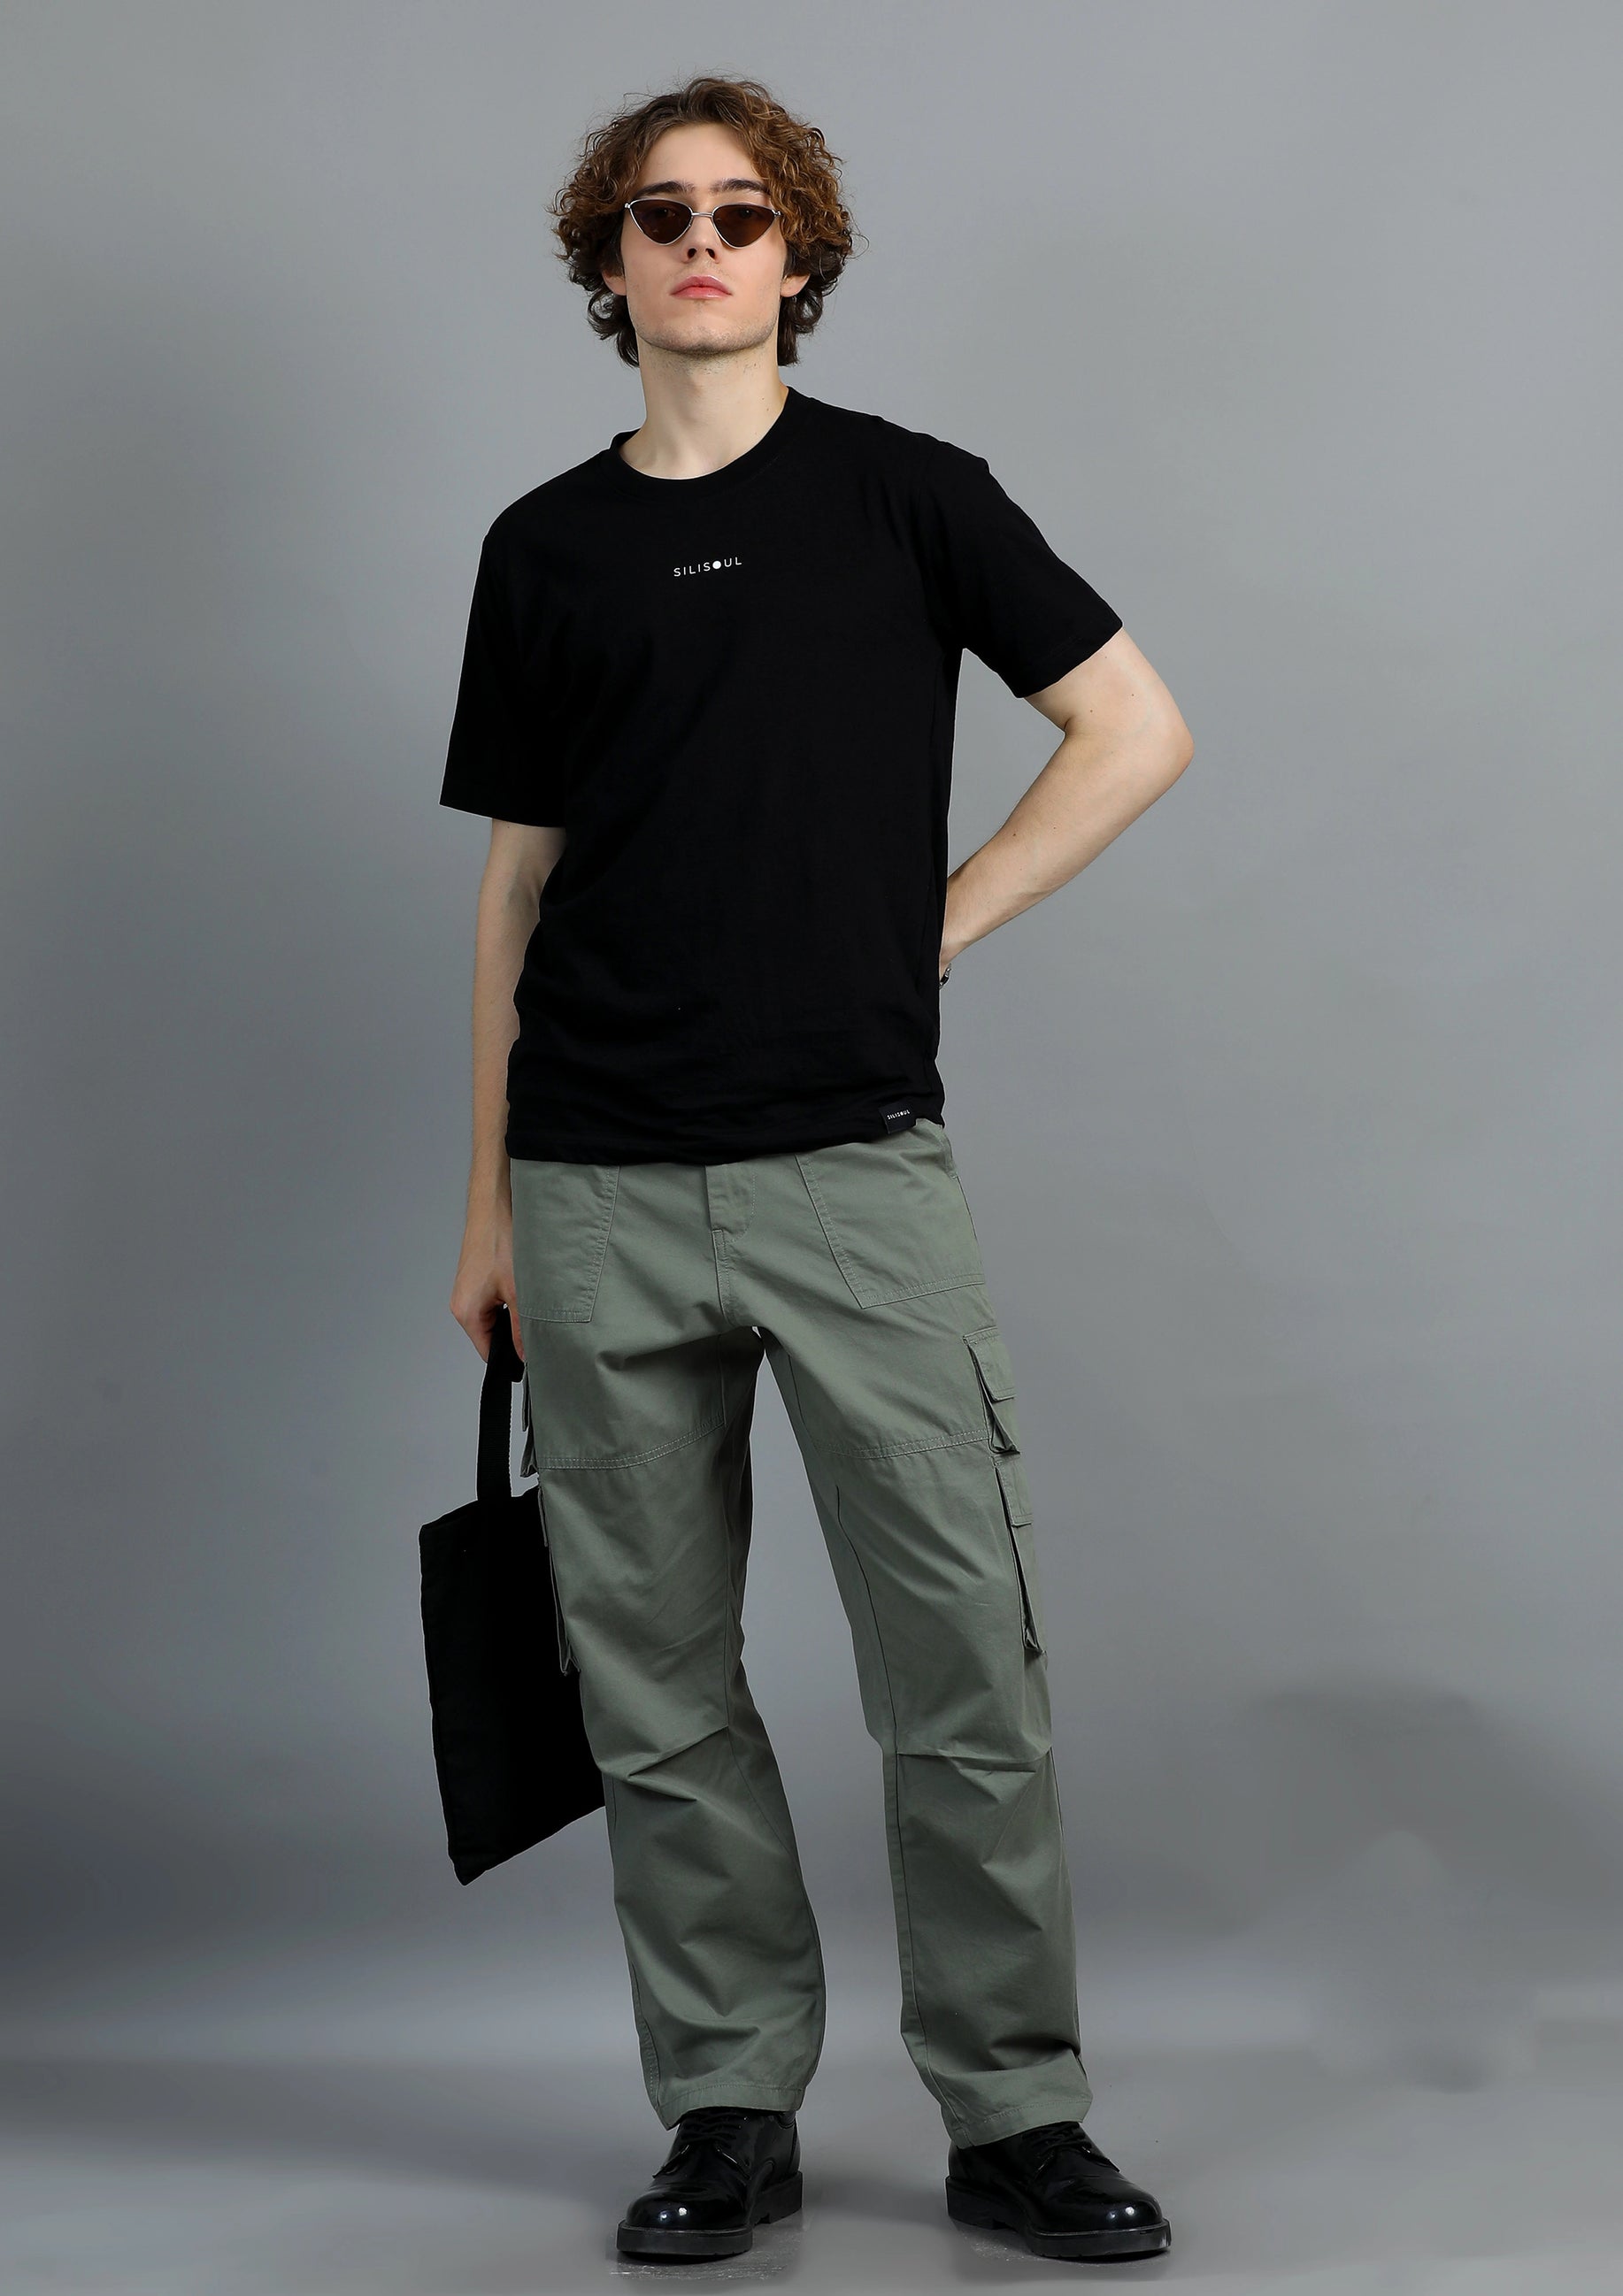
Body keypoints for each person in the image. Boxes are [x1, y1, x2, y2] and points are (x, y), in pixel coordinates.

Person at [442, 73, 1193, 2268]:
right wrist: (484, 1202)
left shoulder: (908, 497)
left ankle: (1014, 2110)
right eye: (660, 215)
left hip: (852, 1169)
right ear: (607, 263)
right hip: (593, 1180)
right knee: (653, 1686)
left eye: (742, 214)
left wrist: (923, 925)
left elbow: (1134, 729)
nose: (703, 244)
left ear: (800, 256)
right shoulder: (541, 548)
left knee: (964, 1665)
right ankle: (726, 2105)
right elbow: (515, 891)